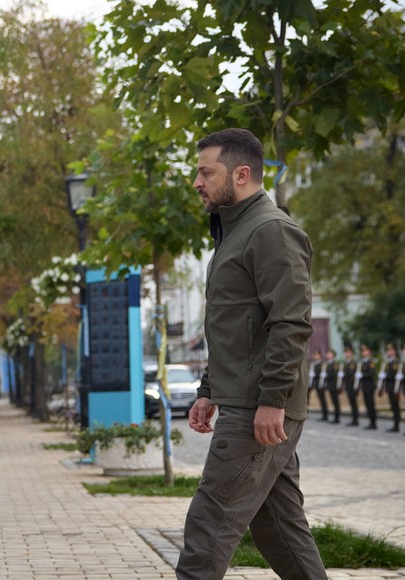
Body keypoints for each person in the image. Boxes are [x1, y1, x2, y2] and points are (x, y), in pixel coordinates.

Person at [177, 128, 325, 579]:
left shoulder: (271, 231)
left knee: (207, 529)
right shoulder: (236, 231)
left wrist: (272, 400)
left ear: (241, 174)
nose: (197, 182)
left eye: (206, 172)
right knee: (279, 529)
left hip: (258, 406)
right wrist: (207, 389)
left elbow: (292, 322)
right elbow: (233, 327)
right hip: (246, 400)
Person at [380, 343, 400, 432]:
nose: (389, 352)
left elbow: (394, 375)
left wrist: (386, 376)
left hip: (394, 387)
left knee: (396, 407)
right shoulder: (388, 363)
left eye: (391, 350)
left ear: (394, 352)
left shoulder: (396, 362)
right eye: (388, 351)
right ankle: (395, 425)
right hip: (389, 387)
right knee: (393, 406)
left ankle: (396, 425)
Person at [358, 344, 378, 430]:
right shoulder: (363, 362)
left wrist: (362, 375)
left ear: (369, 351)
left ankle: (373, 423)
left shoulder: (371, 361)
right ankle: (370, 421)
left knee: (371, 404)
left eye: (365, 351)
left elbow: (371, 373)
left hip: (370, 386)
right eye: (362, 351)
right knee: (367, 404)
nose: (364, 353)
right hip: (365, 386)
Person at [308, 348, 328, 421]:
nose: (315, 356)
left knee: (323, 399)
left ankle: (325, 415)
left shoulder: (321, 364)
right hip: (315, 384)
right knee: (318, 399)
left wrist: (316, 375)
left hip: (321, 384)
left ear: (320, 355)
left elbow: (322, 374)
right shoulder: (313, 364)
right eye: (314, 355)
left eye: (317, 355)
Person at [323, 348, 341, 424]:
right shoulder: (328, 364)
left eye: (330, 353)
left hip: (334, 384)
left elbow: (334, 374)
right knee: (333, 401)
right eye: (327, 353)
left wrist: (326, 375)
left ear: (333, 355)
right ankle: (335, 416)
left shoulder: (335, 363)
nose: (328, 355)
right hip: (330, 385)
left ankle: (337, 417)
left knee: (336, 401)